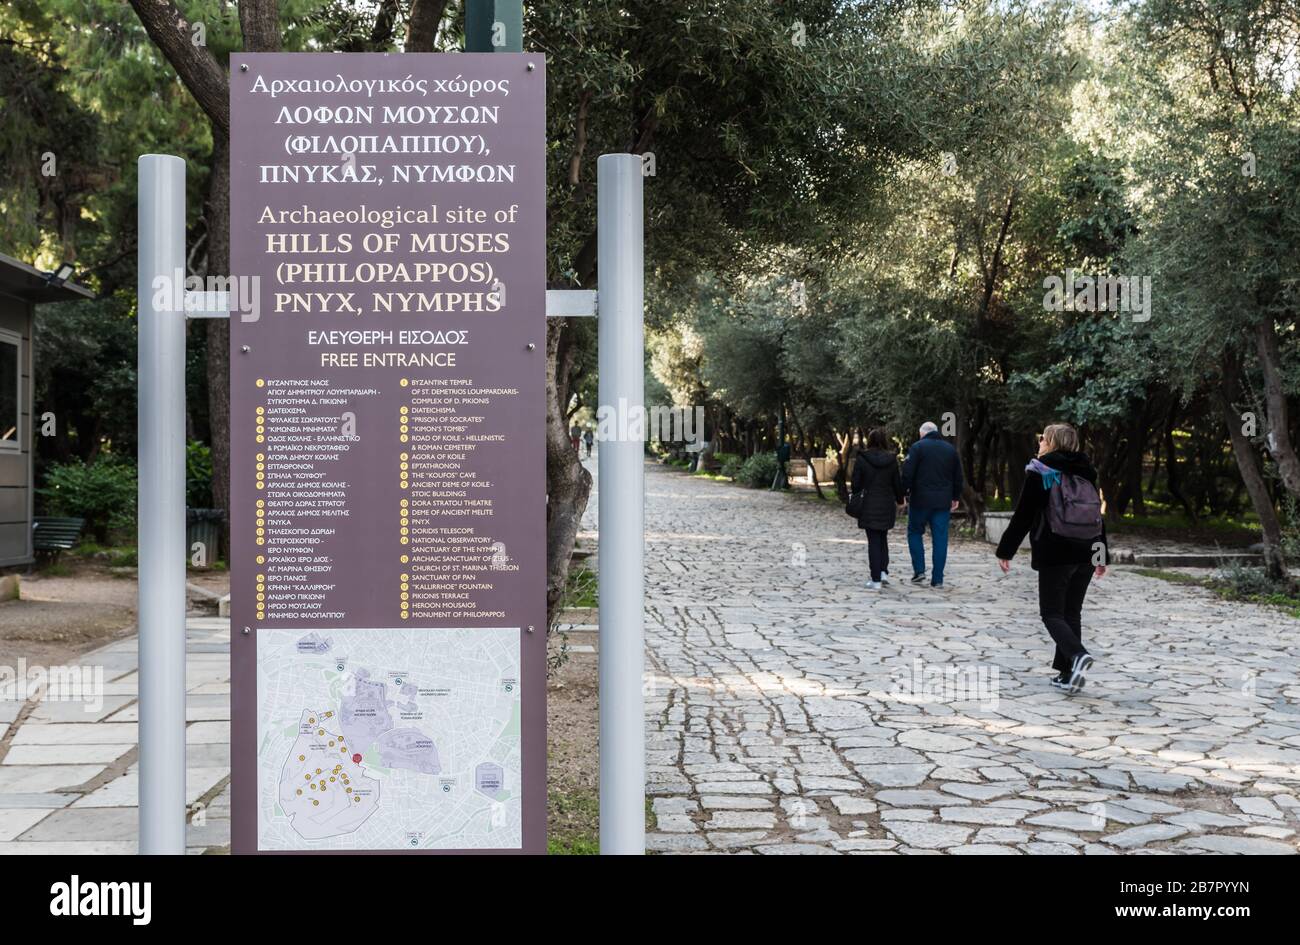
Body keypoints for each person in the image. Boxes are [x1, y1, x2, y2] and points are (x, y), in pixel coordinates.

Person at [995, 422, 1108, 694]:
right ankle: (1069, 674)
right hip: (1085, 551)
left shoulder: (1041, 472)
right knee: (1072, 612)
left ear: (1053, 442)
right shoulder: (1087, 473)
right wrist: (1100, 554)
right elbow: (1097, 516)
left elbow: (1023, 515)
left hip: (1056, 550)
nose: (1040, 443)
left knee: (1052, 613)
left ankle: (1078, 655)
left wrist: (1005, 550)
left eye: (1043, 439)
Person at [901, 421, 964, 589]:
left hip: (920, 500)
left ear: (922, 434)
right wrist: (956, 496)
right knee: (940, 538)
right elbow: (958, 475)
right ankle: (938, 579)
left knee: (914, 532)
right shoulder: (950, 450)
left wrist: (903, 492)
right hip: (943, 502)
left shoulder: (917, 448)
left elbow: (908, 472)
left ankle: (919, 571)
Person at [852, 428, 905, 590]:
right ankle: (883, 572)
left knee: (873, 541)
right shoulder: (891, 460)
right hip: (886, 504)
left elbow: (855, 485)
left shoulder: (862, 459)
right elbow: (897, 483)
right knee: (882, 538)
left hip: (868, 504)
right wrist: (900, 500)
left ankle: (875, 579)